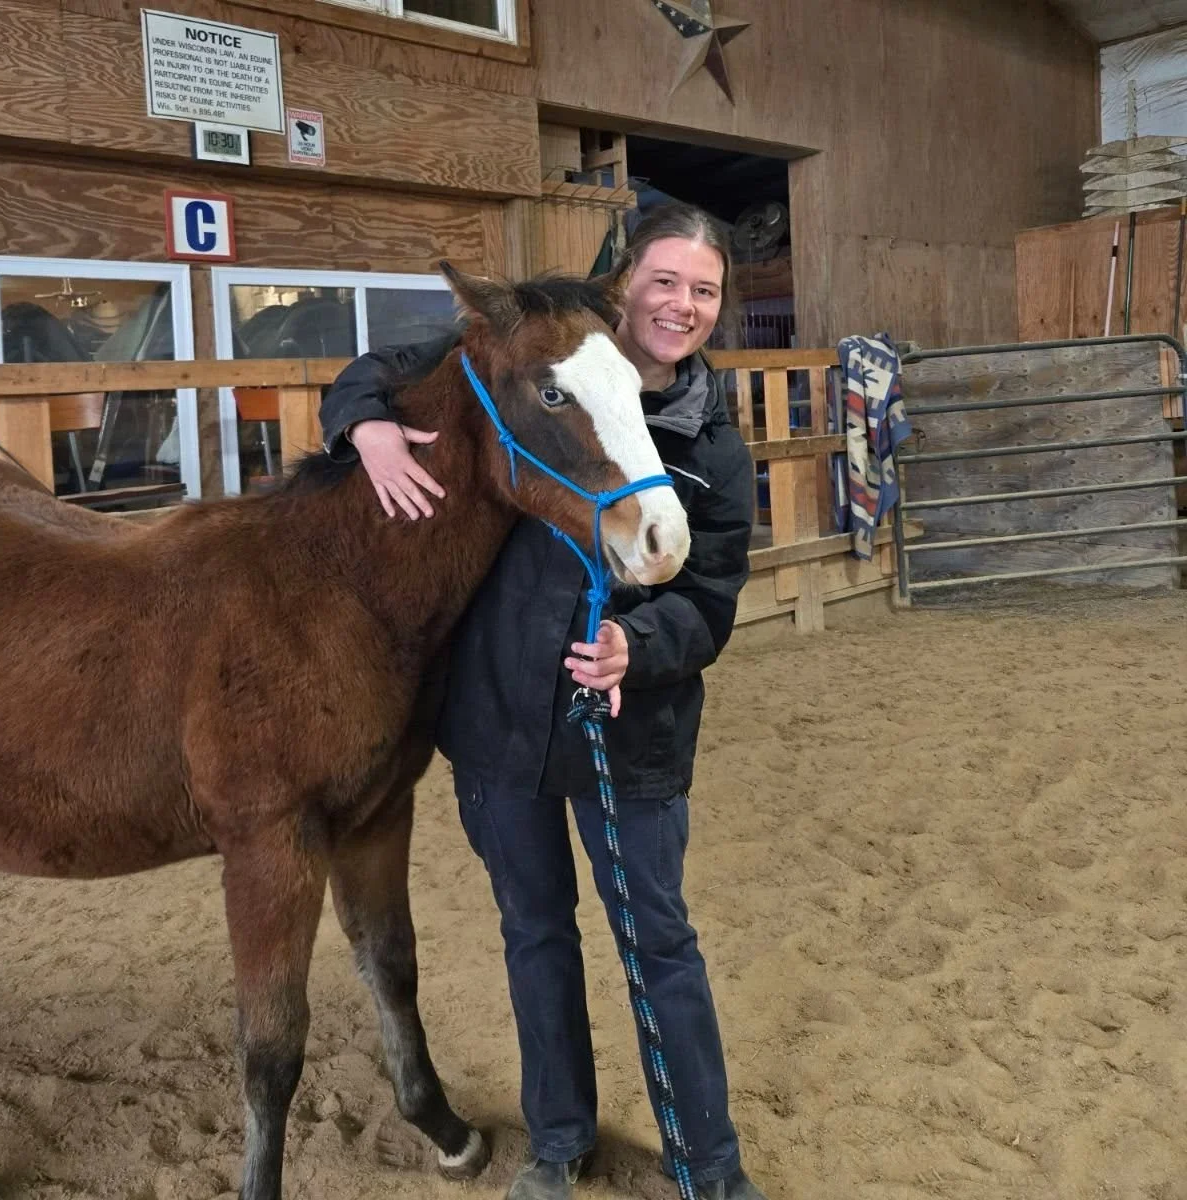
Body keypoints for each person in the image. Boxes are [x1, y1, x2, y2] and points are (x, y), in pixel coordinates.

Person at [320, 203, 767, 1200]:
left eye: (704, 290)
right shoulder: (536, 365)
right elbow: (379, 367)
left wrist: (640, 646)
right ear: (623, 286)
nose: (682, 305)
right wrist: (366, 428)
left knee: (659, 942)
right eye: (664, 281)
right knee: (535, 934)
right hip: (502, 722)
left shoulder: (713, 447)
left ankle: (709, 1162)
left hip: (631, 733)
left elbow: (710, 602)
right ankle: (559, 1139)